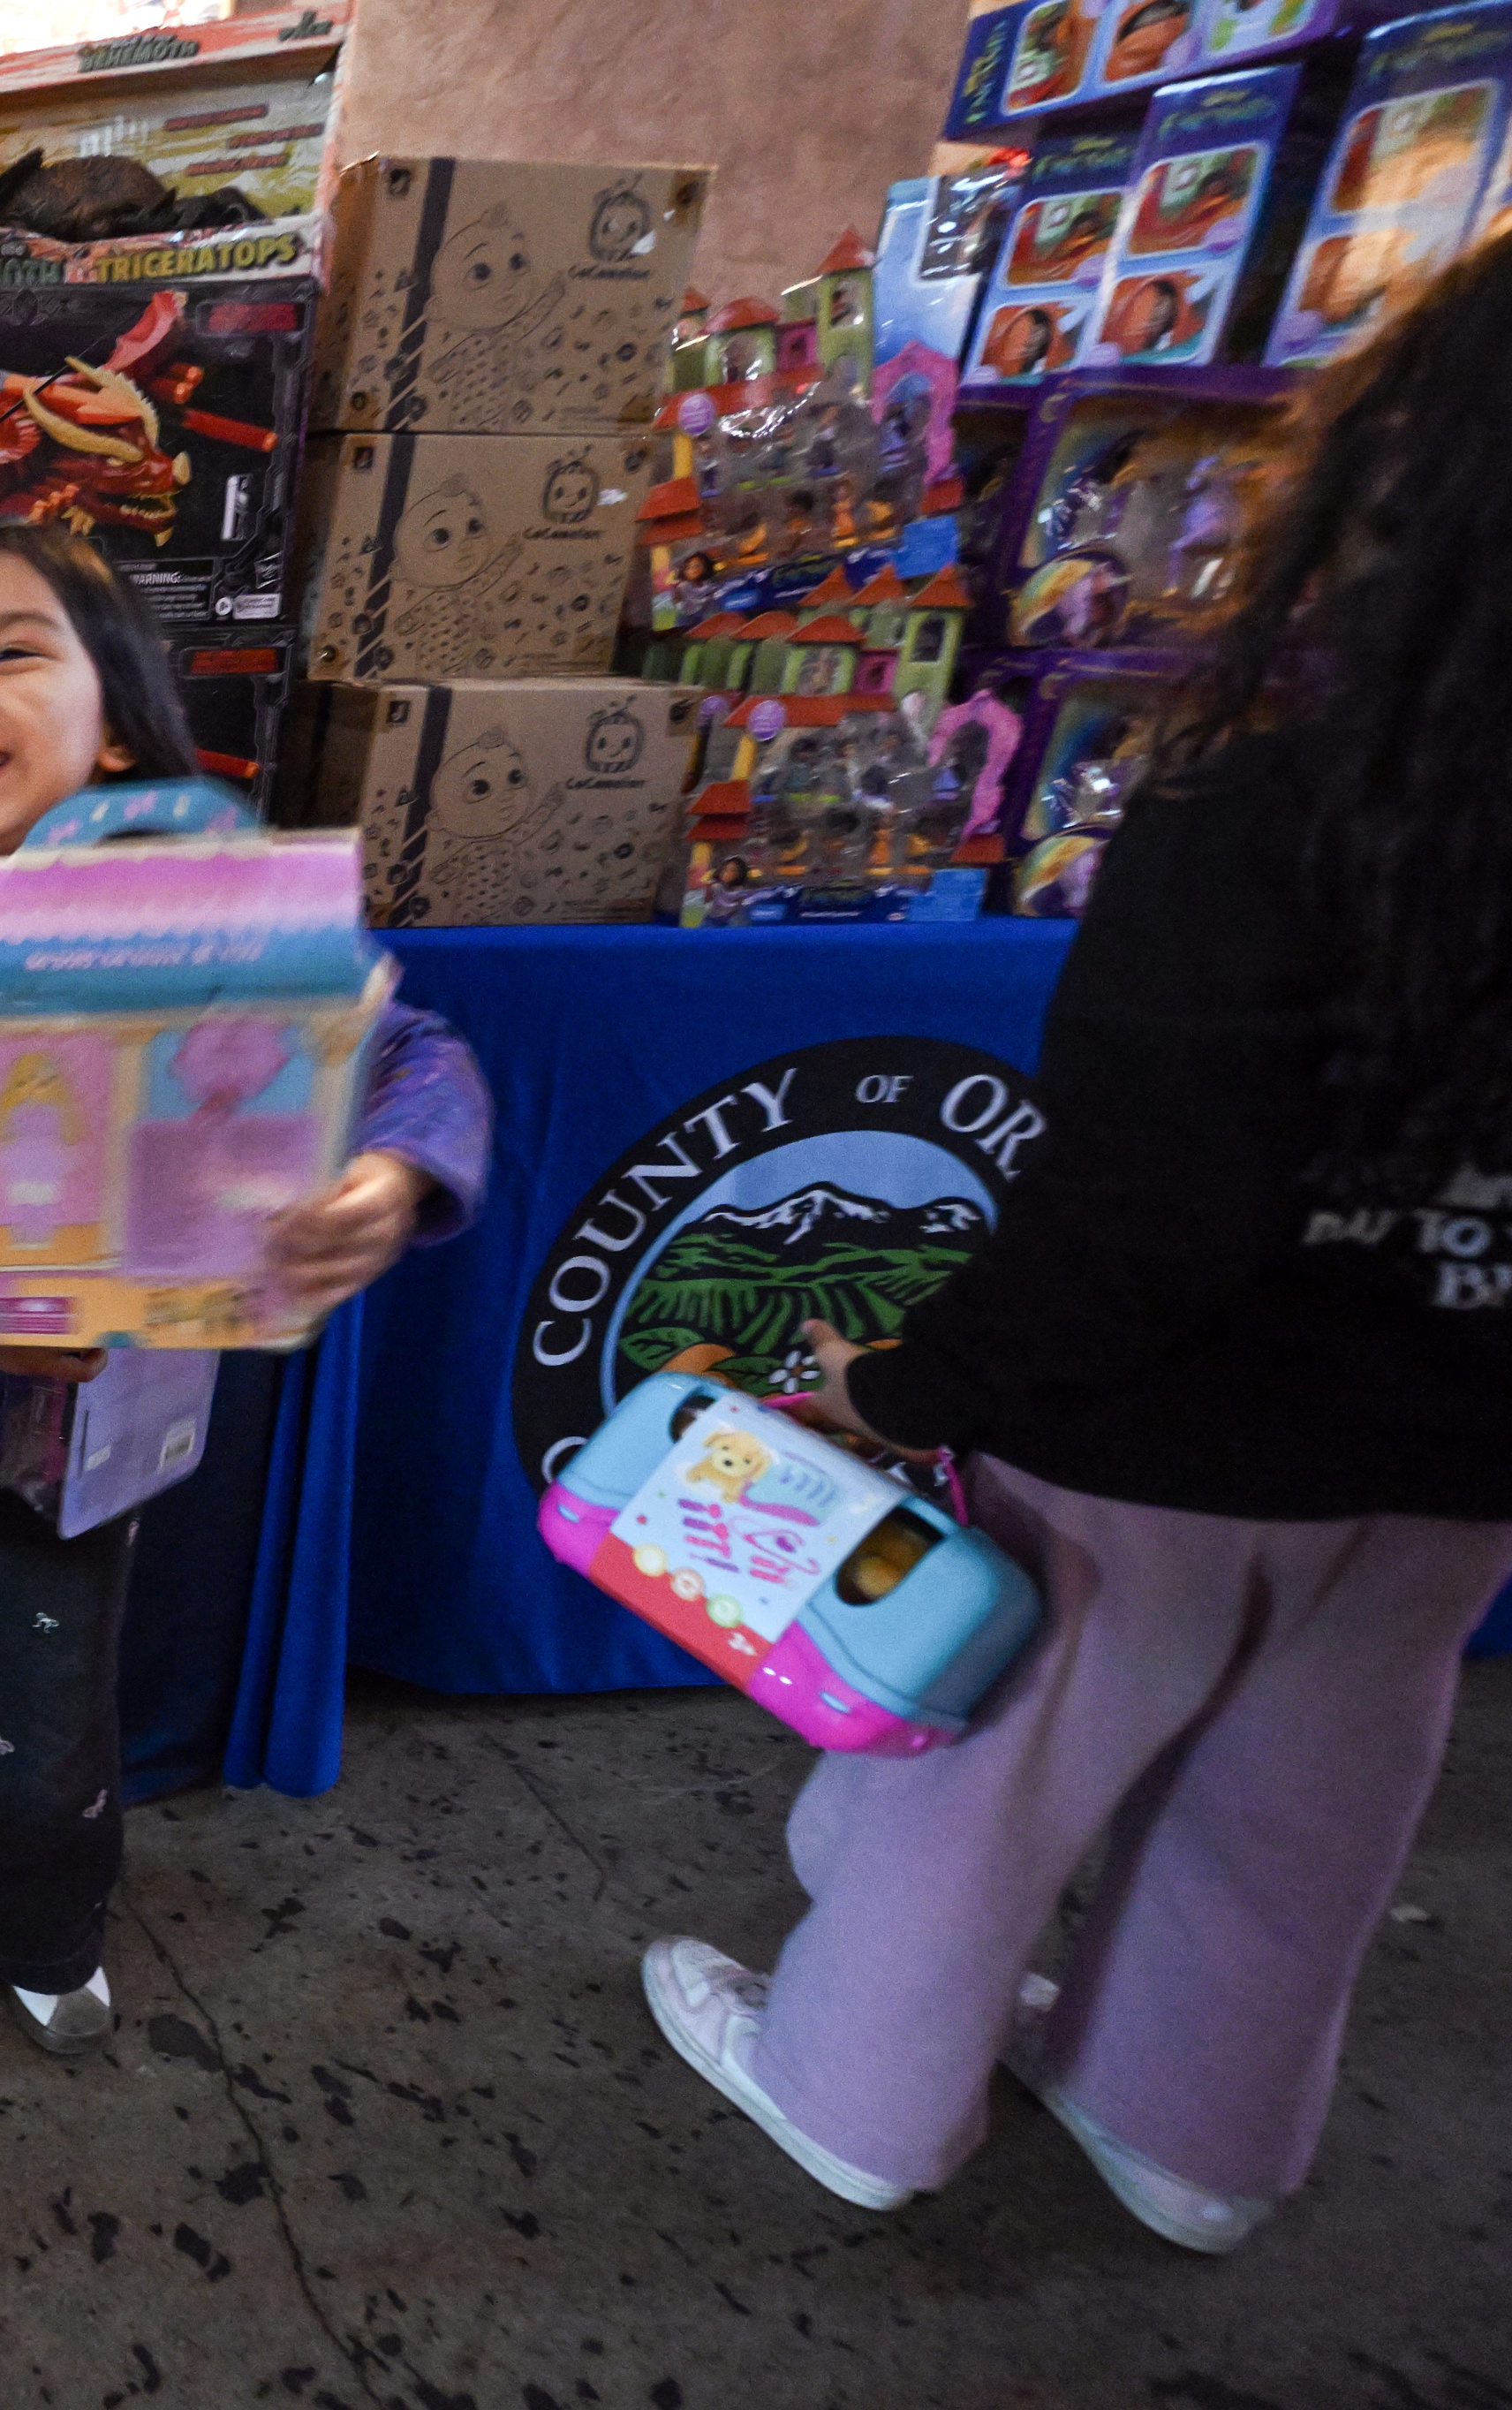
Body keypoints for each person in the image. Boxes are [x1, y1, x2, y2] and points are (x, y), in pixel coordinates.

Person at [642, 236, 1512, 2254]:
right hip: (1455, 1472)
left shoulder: (1266, 824)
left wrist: (905, 1379)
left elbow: (1135, 1216)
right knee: (1306, 1816)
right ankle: (1192, 2130)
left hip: (1157, 1458)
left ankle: (849, 2086)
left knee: (984, 1784)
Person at [0, 523, 489, 2056]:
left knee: (55, 1714)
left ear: (119, 730)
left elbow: (414, 1052)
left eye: (11, 652)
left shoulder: (213, 939)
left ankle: (44, 1920)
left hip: (90, 1441)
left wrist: (393, 1175)